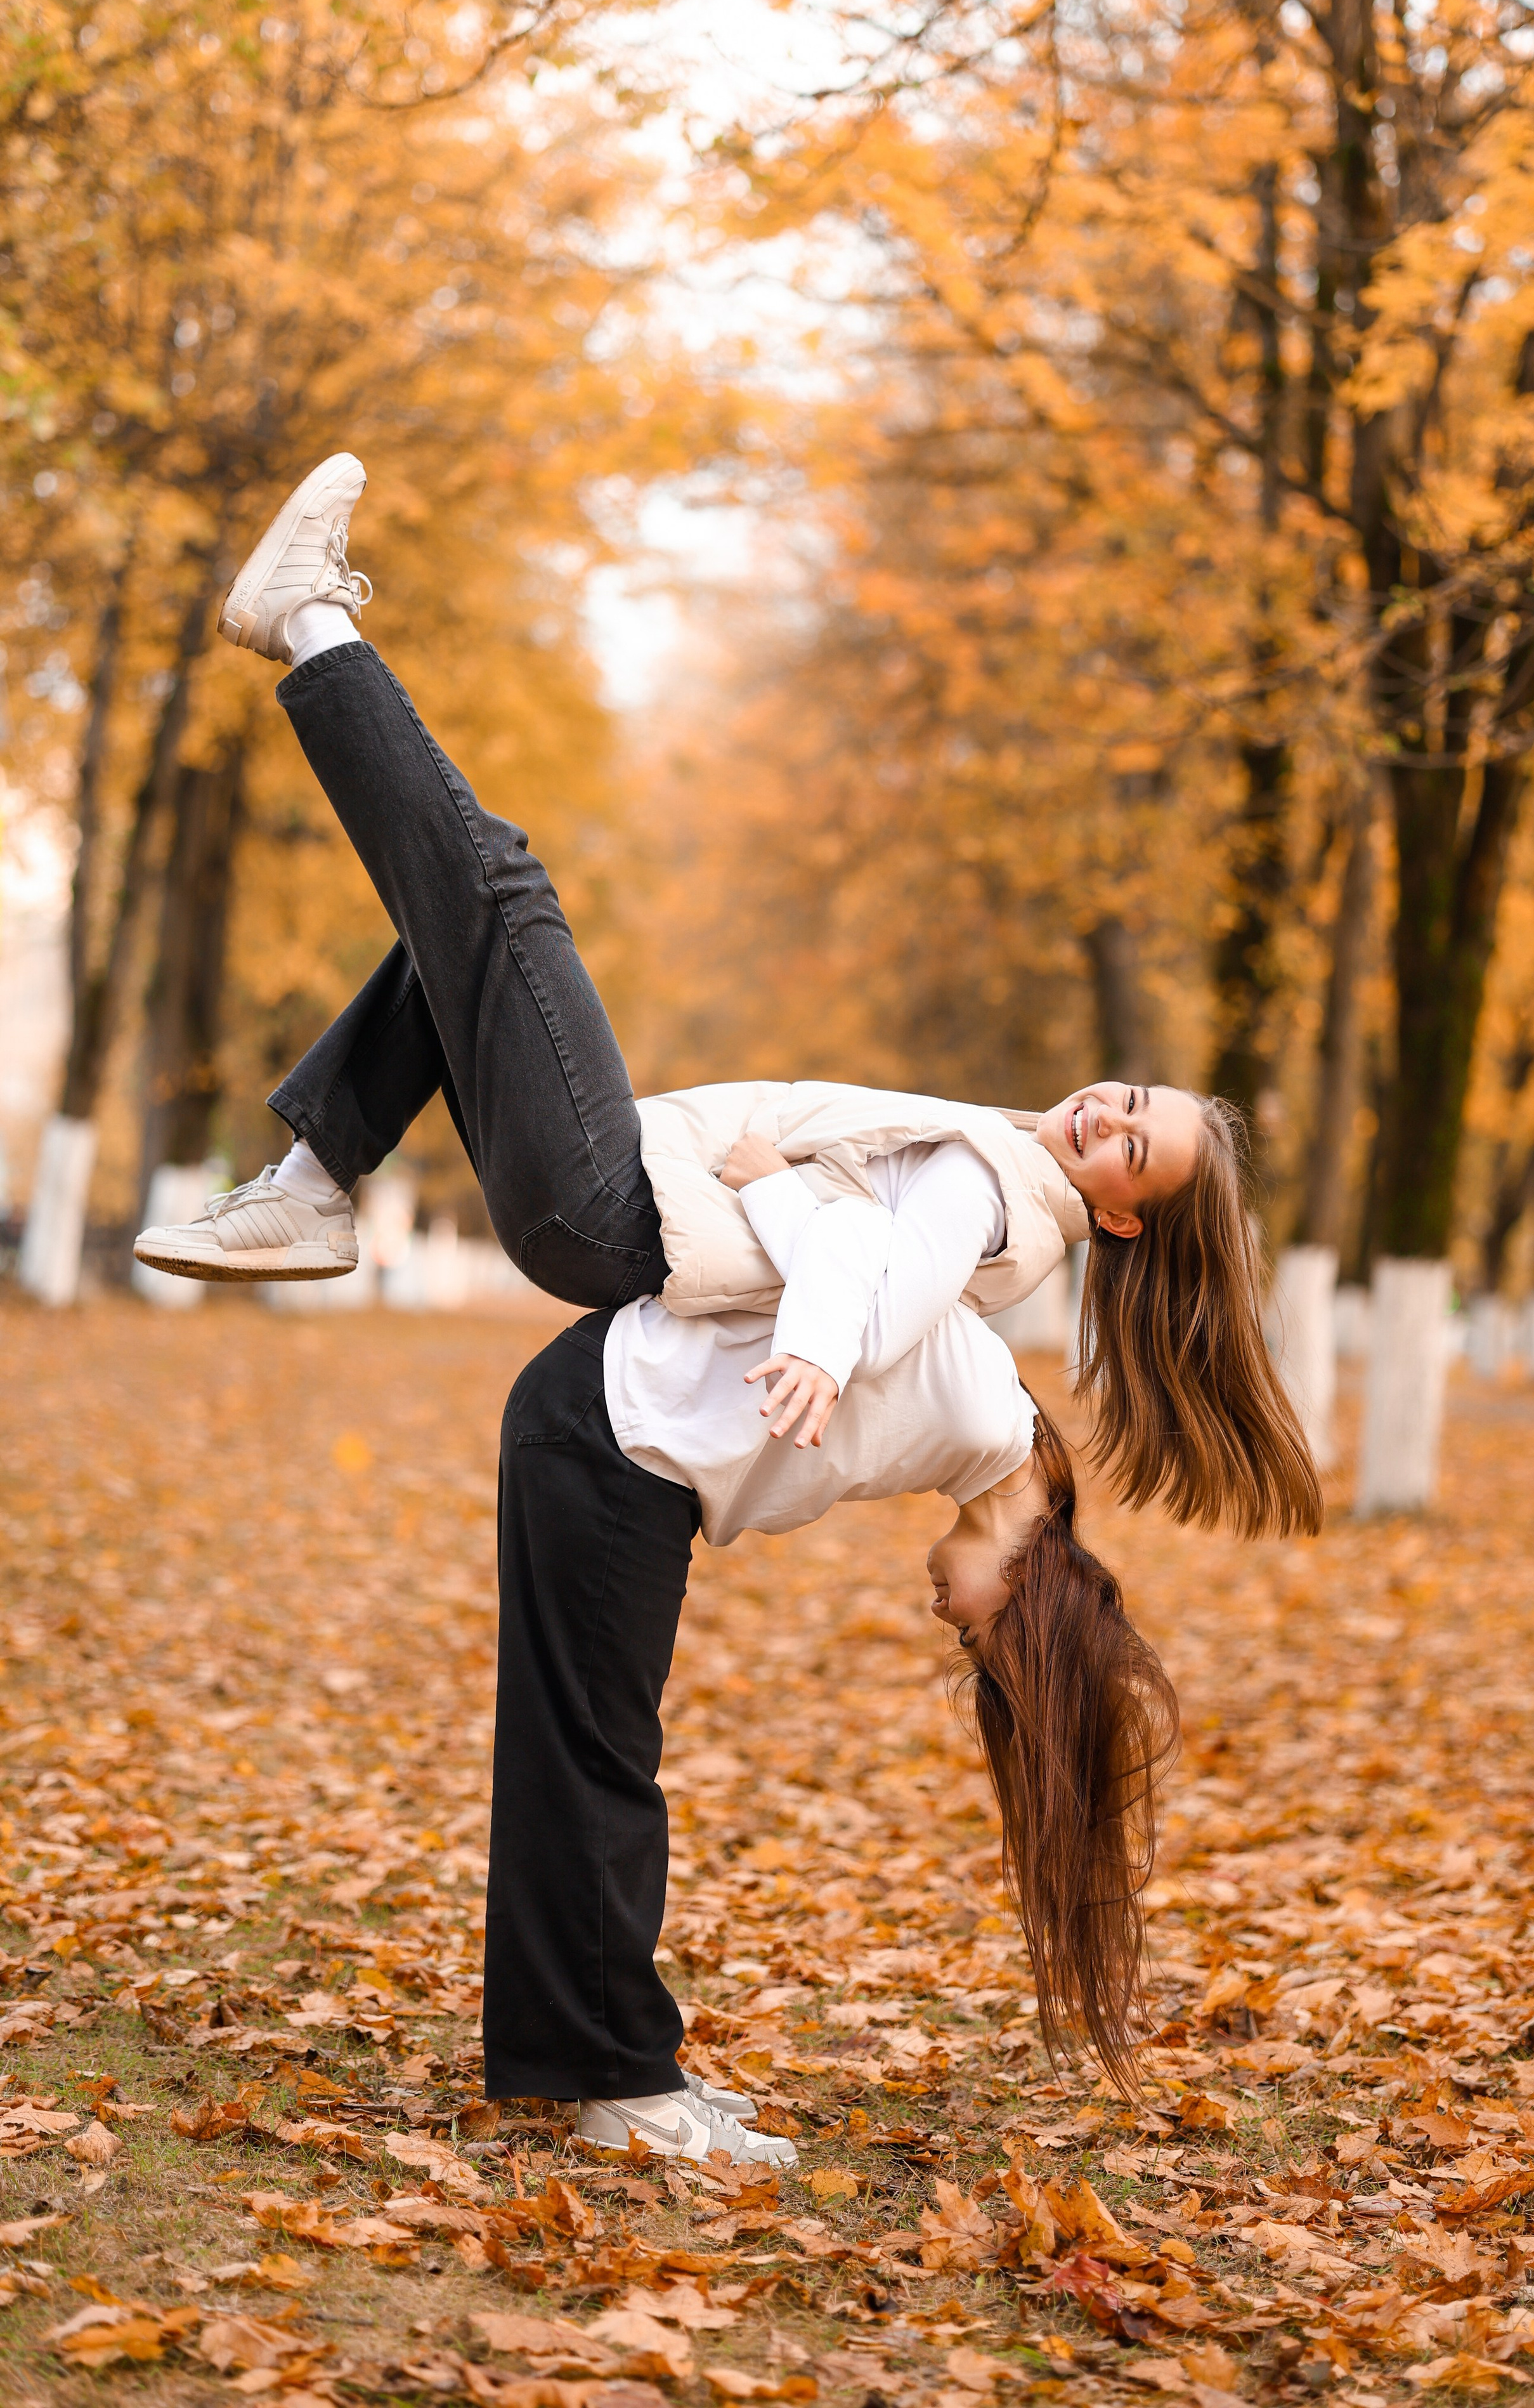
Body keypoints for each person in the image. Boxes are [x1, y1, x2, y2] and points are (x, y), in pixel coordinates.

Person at [134, 457, 1307, 2135]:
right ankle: (310, 636)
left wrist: (807, 1241)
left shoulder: (995, 1364)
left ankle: (314, 1181)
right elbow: (878, 1269)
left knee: (490, 900)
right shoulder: (998, 1286)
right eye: (981, 1627)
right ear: (1029, 1574)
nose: (945, 1616)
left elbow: (880, 1262)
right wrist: (821, 1333)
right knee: (491, 901)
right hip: (616, 1278)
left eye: (1142, 1143)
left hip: (612, 1403)